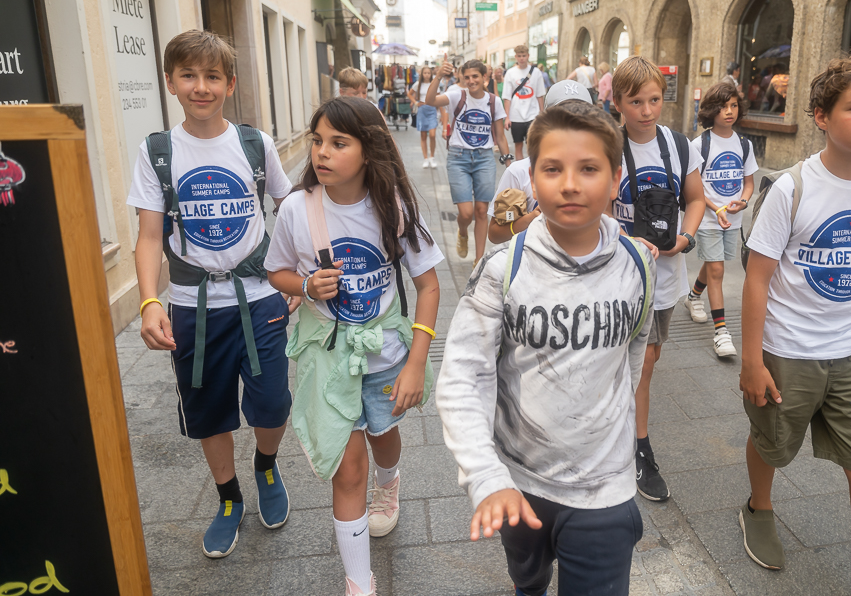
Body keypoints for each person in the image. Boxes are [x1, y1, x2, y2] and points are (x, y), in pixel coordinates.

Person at [436, 99, 655, 596]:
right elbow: (462, 377)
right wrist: (486, 476)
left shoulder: (638, 266)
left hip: (606, 490)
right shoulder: (501, 270)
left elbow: (632, 356)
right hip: (519, 483)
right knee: (527, 579)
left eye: (589, 168)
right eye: (553, 169)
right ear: (532, 178)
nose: (571, 183)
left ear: (616, 177)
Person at [739, 53, 851, 596]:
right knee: (772, 443)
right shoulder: (791, 188)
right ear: (821, 117)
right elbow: (758, 277)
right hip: (790, 349)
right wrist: (752, 359)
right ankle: (758, 506)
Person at [264, 96, 443, 596]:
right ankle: (359, 584)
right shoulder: (297, 210)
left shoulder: (394, 207)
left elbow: (429, 286)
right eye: (317, 141)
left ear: (368, 151)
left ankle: (391, 484)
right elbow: (275, 270)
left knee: (383, 436)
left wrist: (415, 362)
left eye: (338, 143)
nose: (321, 152)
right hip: (328, 359)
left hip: (385, 355)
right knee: (348, 471)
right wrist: (304, 285)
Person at [128, 30, 295, 559]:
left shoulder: (254, 144)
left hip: (260, 297)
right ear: (172, 81)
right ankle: (228, 498)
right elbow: (150, 236)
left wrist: (298, 277)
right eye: (189, 76)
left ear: (230, 83)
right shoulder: (157, 151)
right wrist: (151, 301)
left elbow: (289, 212)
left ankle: (265, 465)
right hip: (193, 307)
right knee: (208, 410)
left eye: (212, 77)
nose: (201, 87)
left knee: (272, 404)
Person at [609, 55, 705, 502]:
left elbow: (697, 199)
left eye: (654, 100)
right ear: (617, 103)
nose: (647, 110)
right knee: (614, 362)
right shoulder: (607, 145)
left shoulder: (681, 145)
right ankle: (627, 445)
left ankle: (634, 443)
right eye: (636, 101)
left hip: (664, 278)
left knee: (646, 363)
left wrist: (684, 238)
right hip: (613, 277)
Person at [684, 81, 757, 358]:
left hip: (732, 218)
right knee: (716, 270)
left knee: (712, 263)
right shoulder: (699, 144)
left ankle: (693, 297)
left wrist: (744, 201)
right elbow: (694, 188)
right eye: (724, 106)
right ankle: (721, 332)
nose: (729, 111)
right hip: (708, 217)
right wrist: (716, 209)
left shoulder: (743, 144)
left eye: (734, 105)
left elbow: (748, 182)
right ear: (712, 110)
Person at [426, 56, 514, 263]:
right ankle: (463, 230)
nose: (471, 81)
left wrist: (509, 163)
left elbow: (499, 136)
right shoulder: (457, 95)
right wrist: (438, 75)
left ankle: (479, 259)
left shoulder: (494, 101)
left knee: (482, 210)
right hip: (459, 158)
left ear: (485, 77)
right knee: (466, 213)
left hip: (484, 158)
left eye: (475, 76)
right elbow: (430, 101)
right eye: (467, 77)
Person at [487, 79, 594, 245]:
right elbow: (494, 234)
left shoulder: (599, 172)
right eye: (563, 115)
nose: (573, 121)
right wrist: (530, 219)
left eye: (582, 115)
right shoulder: (519, 171)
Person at [502, 44, 548, 161]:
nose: (521, 58)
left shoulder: (536, 72)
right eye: (519, 56)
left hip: (532, 114)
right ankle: (520, 171)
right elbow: (507, 97)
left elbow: (539, 94)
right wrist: (507, 117)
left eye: (523, 56)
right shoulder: (510, 73)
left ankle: (532, 169)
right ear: (515, 57)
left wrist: (542, 113)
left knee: (532, 144)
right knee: (518, 145)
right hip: (516, 114)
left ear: (528, 56)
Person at [408, 66, 438, 168]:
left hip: (432, 110)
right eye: (424, 73)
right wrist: (415, 102)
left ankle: (432, 157)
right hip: (422, 110)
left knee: (433, 135)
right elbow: (409, 94)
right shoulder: (418, 84)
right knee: (423, 135)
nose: (426, 75)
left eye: (428, 73)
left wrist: (441, 113)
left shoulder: (434, 84)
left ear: (431, 74)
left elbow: (438, 97)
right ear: (422, 74)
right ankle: (425, 158)